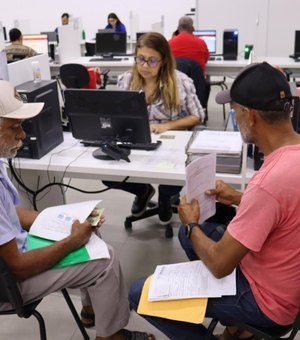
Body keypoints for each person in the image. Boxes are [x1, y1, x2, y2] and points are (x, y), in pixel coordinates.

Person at [128, 62, 300, 339]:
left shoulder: (269, 181)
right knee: (197, 235)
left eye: (234, 110)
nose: (234, 115)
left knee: (140, 293)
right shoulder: (293, 155)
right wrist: (235, 197)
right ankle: (235, 331)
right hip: (287, 281)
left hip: (268, 302)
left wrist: (191, 223)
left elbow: (220, 265)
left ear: (251, 116)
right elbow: (287, 209)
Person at [0, 80, 154, 340]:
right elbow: (18, 268)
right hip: (8, 286)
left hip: (11, 264)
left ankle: (92, 310)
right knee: (104, 258)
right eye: (14, 127)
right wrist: (72, 241)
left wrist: (59, 220)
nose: (23, 135)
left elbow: (9, 216)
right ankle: (111, 336)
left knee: (88, 229)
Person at [103, 32, 204, 225]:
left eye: (152, 61)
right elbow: (117, 113)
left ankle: (166, 198)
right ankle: (143, 191)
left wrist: (167, 126)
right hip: (135, 141)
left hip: (170, 145)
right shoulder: (126, 80)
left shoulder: (181, 81)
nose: (144, 66)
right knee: (106, 174)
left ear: (164, 60)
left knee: (173, 176)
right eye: (140, 59)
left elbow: (198, 115)